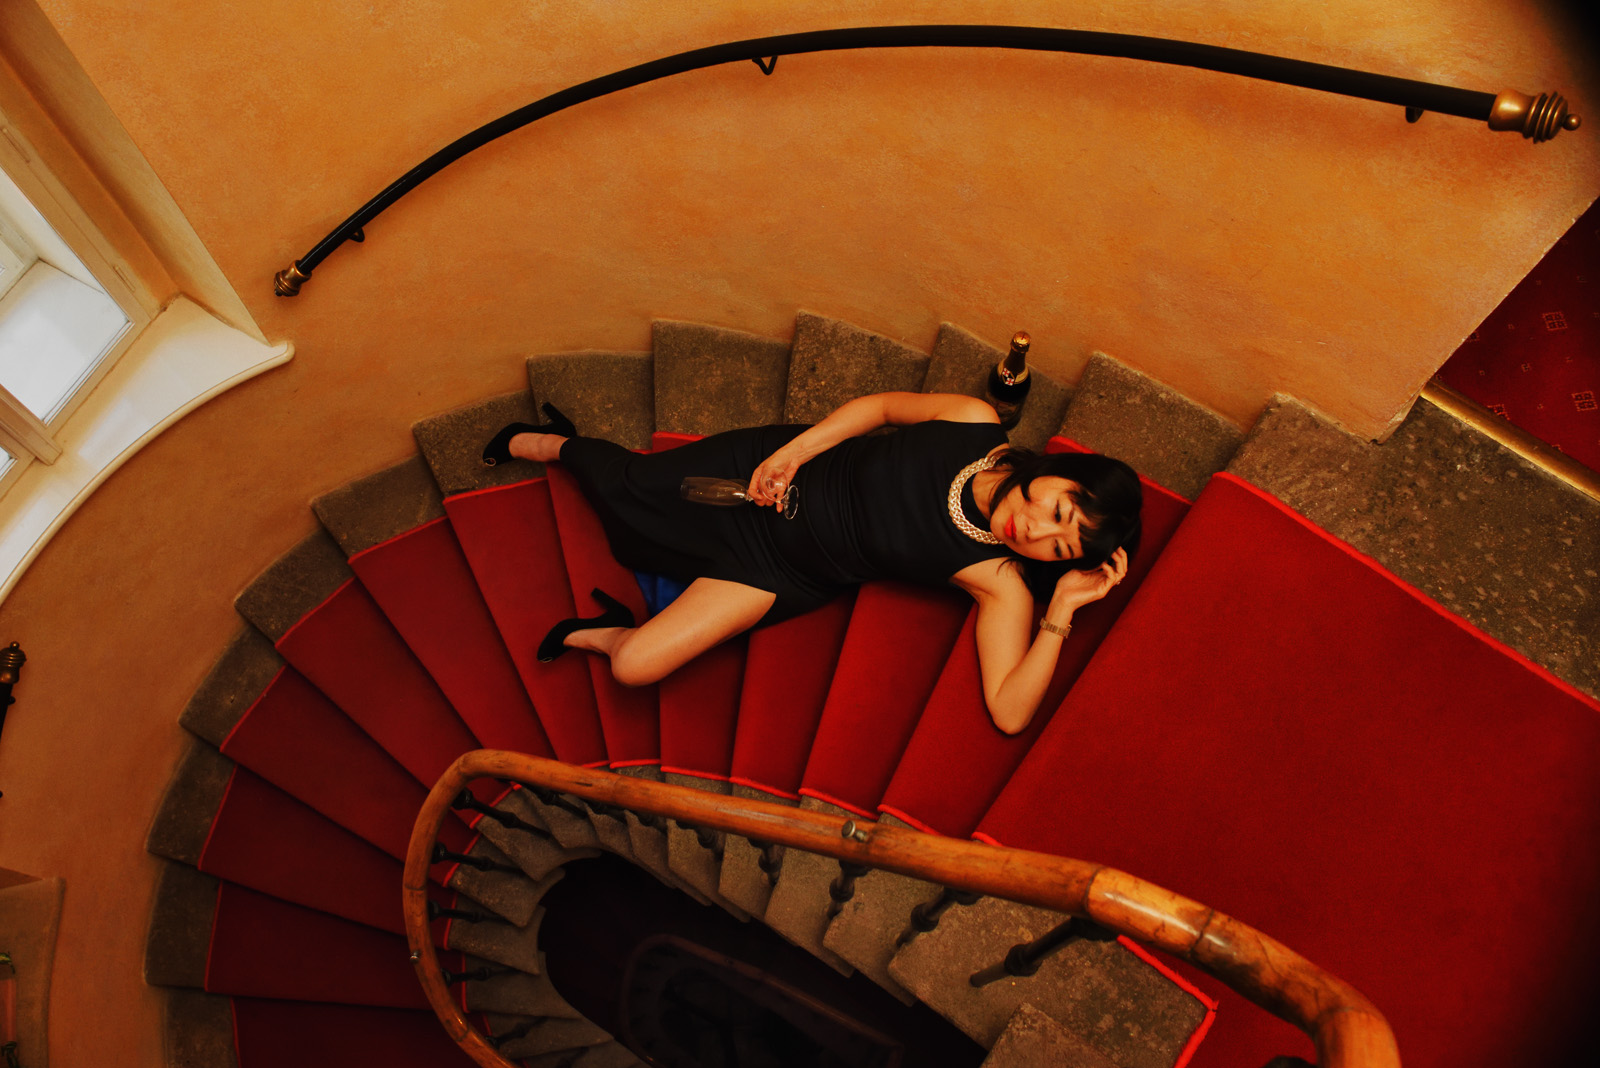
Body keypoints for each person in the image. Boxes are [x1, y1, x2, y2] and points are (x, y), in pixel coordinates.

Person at [483, 392, 1140, 734]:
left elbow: (1010, 711)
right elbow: (879, 410)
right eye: (1059, 512)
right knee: (632, 485)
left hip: (780, 570)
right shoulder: (971, 423)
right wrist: (796, 452)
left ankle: (590, 631)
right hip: (765, 470)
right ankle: (556, 442)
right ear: (1059, 474)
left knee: (635, 666)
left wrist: (1061, 608)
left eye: (1060, 547)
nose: (1034, 531)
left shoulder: (999, 583)